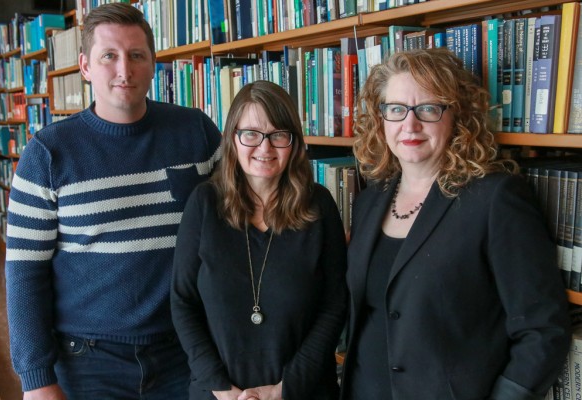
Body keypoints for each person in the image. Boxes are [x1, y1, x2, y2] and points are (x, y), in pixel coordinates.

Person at [5, 3, 221, 399]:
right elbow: (24, 273)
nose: (125, 70)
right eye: (110, 56)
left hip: (185, 351)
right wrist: (36, 379)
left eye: (137, 55)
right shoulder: (47, 154)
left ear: (154, 62)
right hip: (88, 361)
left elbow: (236, 224)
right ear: (86, 66)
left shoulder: (196, 132)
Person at [340, 48, 571, 399]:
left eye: (429, 109)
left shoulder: (495, 199)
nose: (410, 125)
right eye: (396, 109)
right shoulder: (372, 198)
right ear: (380, 118)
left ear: (457, 116)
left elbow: (543, 329)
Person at [170, 80, 347, 400]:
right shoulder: (204, 203)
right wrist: (222, 389)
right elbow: (183, 301)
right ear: (231, 139)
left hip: (303, 391)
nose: (264, 148)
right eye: (250, 133)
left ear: (293, 142)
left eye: (278, 135)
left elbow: (334, 306)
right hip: (217, 394)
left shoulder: (319, 206)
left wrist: (285, 389)